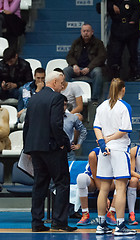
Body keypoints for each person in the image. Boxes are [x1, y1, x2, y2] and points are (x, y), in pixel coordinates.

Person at [23, 71, 77, 232]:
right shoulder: (57, 98)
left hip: (35, 148)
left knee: (39, 185)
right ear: (54, 82)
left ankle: (37, 222)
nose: (63, 85)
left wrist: (28, 148)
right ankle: (59, 222)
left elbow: (27, 124)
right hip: (52, 147)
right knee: (62, 182)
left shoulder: (34, 98)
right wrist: (62, 143)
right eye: (61, 82)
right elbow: (55, 123)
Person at [93, 78, 136, 236]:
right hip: (119, 149)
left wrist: (103, 142)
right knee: (120, 188)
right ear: (123, 89)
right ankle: (119, 226)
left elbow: (96, 127)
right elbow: (124, 130)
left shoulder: (101, 106)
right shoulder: (125, 106)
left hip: (104, 150)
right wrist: (110, 139)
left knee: (103, 189)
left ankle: (101, 224)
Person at [63, 23, 107, 103]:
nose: (86, 33)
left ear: (92, 32)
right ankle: (65, 97)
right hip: (77, 68)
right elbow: (69, 56)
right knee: (65, 71)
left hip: (91, 69)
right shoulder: (76, 42)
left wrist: (89, 67)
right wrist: (74, 65)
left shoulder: (98, 43)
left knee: (98, 72)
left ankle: (94, 100)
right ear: (81, 32)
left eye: (88, 31)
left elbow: (101, 57)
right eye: (84, 31)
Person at [76, 147, 118, 226]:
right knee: (81, 178)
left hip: (110, 181)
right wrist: (104, 197)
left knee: (123, 182)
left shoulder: (117, 153)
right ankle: (85, 214)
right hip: (95, 181)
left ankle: (111, 213)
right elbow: (95, 177)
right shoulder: (93, 154)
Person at [107, 0, 140, 80]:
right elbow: (100, 7)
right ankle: (116, 75)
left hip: (131, 30)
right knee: (116, 53)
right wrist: (111, 6)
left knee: (133, 53)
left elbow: (138, 9)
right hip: (117, 29)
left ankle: (134, 74)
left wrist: (133, 20)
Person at [63, 96, 87, 162]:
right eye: (61, 104)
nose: (63, 107)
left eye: (65, 104)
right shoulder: (49, 118)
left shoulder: (72, 118)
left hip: (69, 152)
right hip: (54, 151)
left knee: (71, 171)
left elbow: (83, 131)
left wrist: (78, 144)